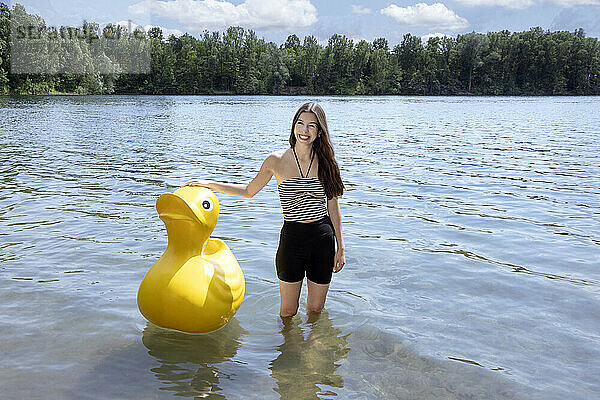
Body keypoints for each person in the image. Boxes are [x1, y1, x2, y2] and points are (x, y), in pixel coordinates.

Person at [181, 102, 345, 319]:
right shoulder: (275, 161)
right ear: (293, 126)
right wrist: (211, 184)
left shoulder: (326, 162)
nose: (304, 131)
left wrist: (341, 247)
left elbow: (333, 205)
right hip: (292, 240)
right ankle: (288, 349)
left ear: (319, 131)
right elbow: (249, 191)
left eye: (311, 126)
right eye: (300, 123)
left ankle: (313, 349)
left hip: (322, 239)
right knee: (288, 312)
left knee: (315, 310)